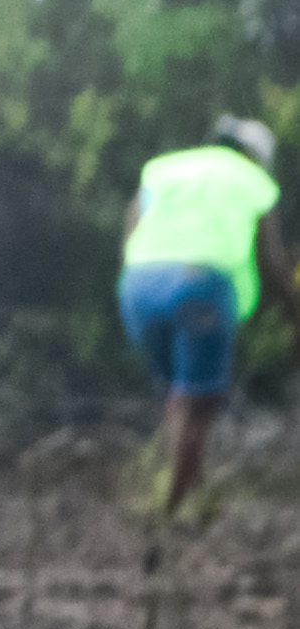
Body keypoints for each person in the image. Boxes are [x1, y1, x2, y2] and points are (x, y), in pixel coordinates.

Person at [117, 116, 294, 511]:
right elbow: (273, 261)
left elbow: (132, 227)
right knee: (199, 399)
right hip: (201, 285)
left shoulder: (165, 169)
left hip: (138, 285)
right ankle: (172, 507)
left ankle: (186, 486)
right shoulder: (253, 180)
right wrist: (291, 314)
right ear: (255, 156)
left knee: (176, 393)